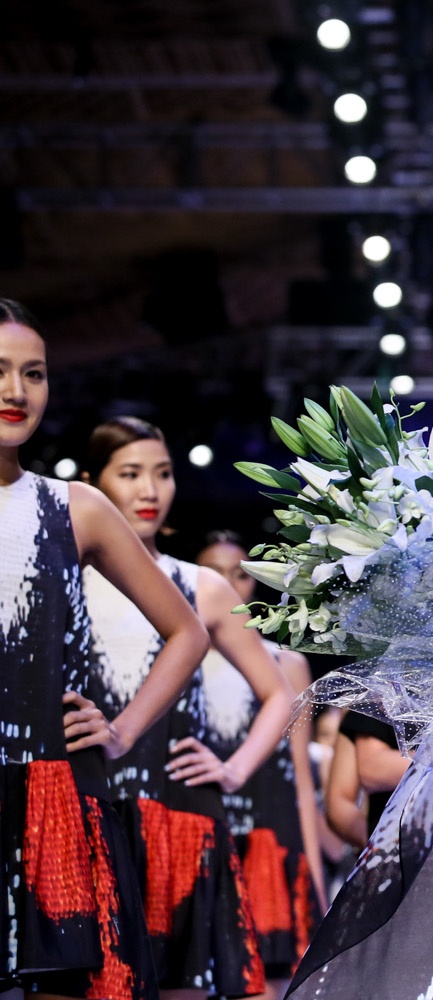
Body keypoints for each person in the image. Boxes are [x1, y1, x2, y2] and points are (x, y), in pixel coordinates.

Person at [1, 297, 208, 1000]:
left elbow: (188, 631)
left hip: (55, 798)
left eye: (33, 373)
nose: (16, 390)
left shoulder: (75, 508)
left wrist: (120, 731)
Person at [82, 416, 294, 1000]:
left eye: (163, 473)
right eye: (130, 474)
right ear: (91, 484)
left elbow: (280, 693)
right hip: (90, 810)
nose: (149, 490)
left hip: (179, 815)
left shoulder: (200, 585)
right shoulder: (67, 575)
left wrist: (234, 769)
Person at [196, 530, 328, 993]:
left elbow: (301, 779)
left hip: (268, 842)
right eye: (214, 573)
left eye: (239, 574)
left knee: (269, 980)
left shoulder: (286, 664)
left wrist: (314, 875)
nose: (229, 584)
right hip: (205, 833)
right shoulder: (180, 652)